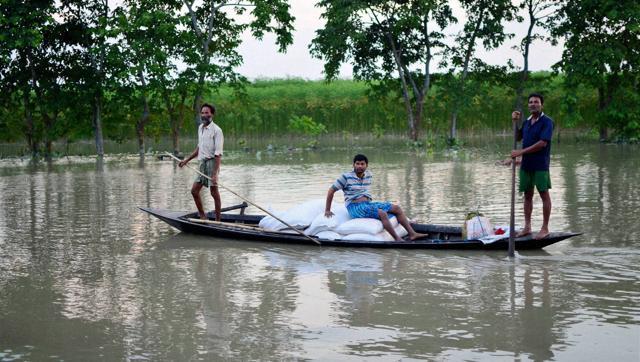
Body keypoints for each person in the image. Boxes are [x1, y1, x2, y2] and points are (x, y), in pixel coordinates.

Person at [324, 154, 427, 242]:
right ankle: (397, 238)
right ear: (353, 165)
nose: (360, 166)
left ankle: (412, 233)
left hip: (367, 204)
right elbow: (331, 191)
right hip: (354, 207)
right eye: (357, 164)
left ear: (366, 165)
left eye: (362, 164)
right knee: (382, 213)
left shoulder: (368, 175)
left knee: (396, 208)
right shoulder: (345, 177)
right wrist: (327, 210)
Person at [510, 93, 554, 239]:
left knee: (544, 194)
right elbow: (517, 137)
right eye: (530, 102)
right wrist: (514, 122)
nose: (533, 104)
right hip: (526, 165)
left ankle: (545, 228)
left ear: (541, 104)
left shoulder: (547, 122)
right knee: (527, 196)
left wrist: (520, 152)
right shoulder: (527, 122)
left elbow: (542, 143)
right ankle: (527, 227)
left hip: (540, 164)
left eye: (536, 102)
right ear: (528, 105)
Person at [179, 103, 224, 221]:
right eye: (202, 113)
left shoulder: (217, 130)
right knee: (194, 191)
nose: (204, 115)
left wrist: (214, 174)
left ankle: (218, 220)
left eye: (207, 113)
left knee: (214, 193)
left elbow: (218, 154)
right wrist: (186, 160)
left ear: (212, 114)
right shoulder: (200, 128)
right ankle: (203, 216)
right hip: (202, 163)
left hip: (212, 163)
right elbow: (199, 148)